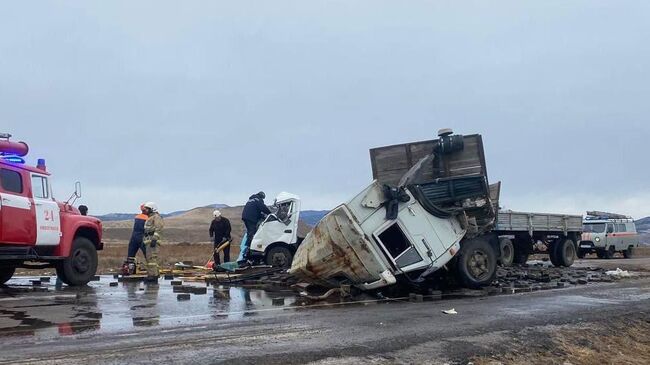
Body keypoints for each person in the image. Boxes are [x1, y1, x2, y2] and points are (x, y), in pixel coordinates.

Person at [241, 192, 271, 261]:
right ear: (262, 197)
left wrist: (263, 216)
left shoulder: (252, 199)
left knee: (249, 231)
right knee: (252, 232)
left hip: (246, 217)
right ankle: (251, 248)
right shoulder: (258, 200)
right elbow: (263, 208)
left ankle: (248, 246)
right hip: (251, 218)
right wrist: (270, 213)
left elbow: (256, 211)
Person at [122, 204, 148, 275]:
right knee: (149, 256)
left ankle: (128, 270)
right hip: (142, 238)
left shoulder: (137, 217)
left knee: (130, 257)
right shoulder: (148, 218)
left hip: (133, 237)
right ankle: (152, 272)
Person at [142, 201, 164, 282]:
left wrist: (154, 239)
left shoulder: (156, 217)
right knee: (150, 259)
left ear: (152, 209)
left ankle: (153, 276)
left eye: (147, 209)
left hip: (153, 241)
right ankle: (154, 274)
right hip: (149, 241)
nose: (145, 211)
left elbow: (159, 229)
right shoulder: (150, 218)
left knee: (152, 259)